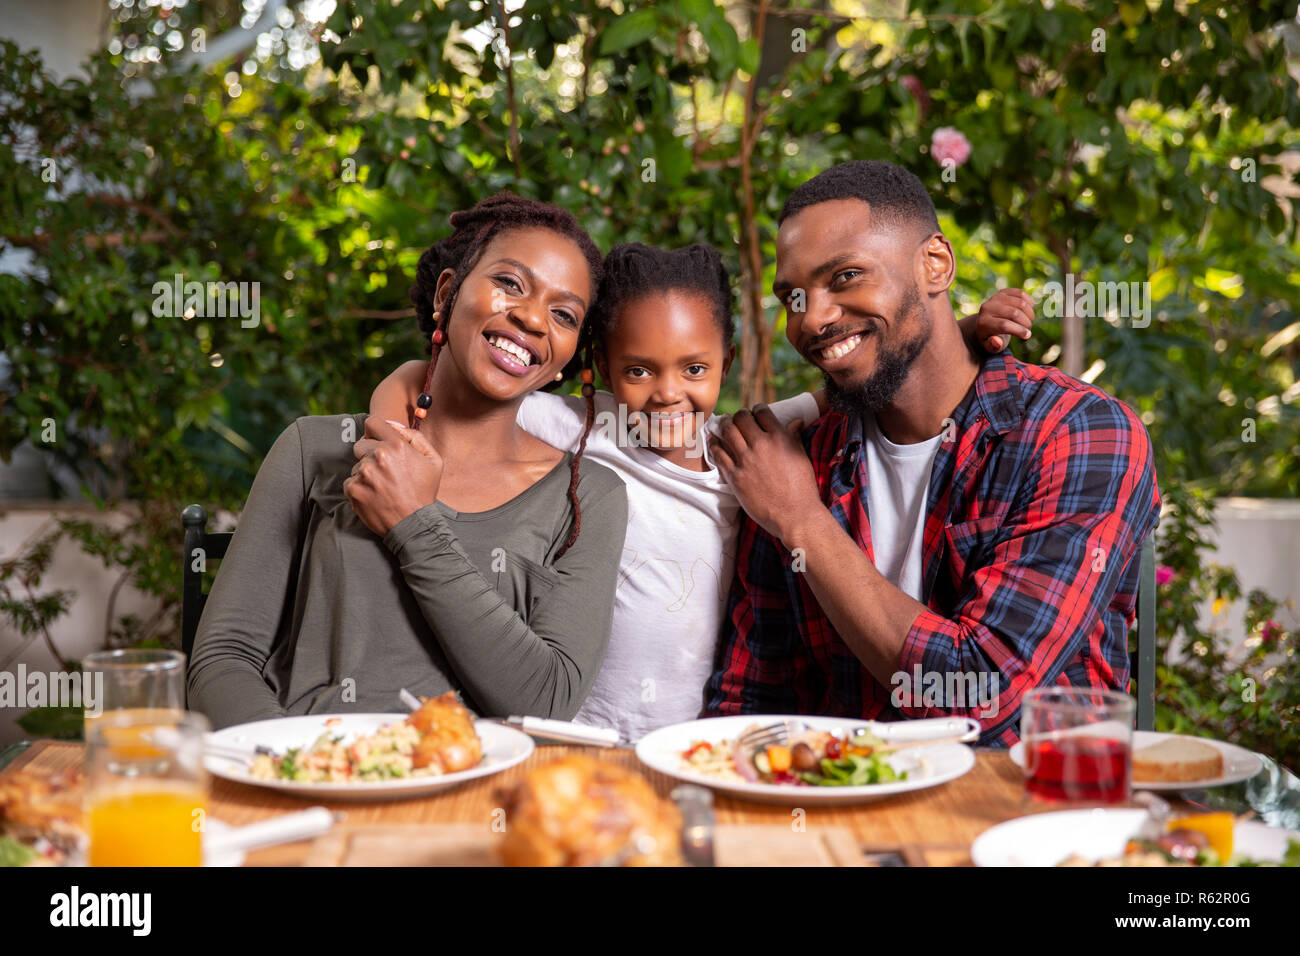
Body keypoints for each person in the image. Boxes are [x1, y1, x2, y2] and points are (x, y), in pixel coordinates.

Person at [372, 241, 1033, 741]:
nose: (668, 392)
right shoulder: (576, 426)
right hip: (571, 735)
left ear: (726, 361)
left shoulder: (742, 447)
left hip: (692, 738)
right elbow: (427, 381)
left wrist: (966, 330)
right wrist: (390, 412)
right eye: (638, 370)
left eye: (694, 368)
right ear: (600, 369)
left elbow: (856, 379)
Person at [705, 160, 1161, 745]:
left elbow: (981, 689)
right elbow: (752, 696)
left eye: (845, 276)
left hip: (1030, 814)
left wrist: (800, 521)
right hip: (842, 809)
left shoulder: (1077, 432)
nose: (811, 318)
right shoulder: (797, 461)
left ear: (935, 265)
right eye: (794, 296)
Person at [188, 193, 628, 729]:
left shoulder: (587, 497)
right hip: (305, 779)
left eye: (564, 314)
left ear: (568, 354)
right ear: (447, 292)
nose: (533, 317)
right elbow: (222, 661)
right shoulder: (313, 449)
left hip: (471, 791)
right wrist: (296, 763)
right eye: (510, 283)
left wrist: (413, 525)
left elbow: (547, 701)